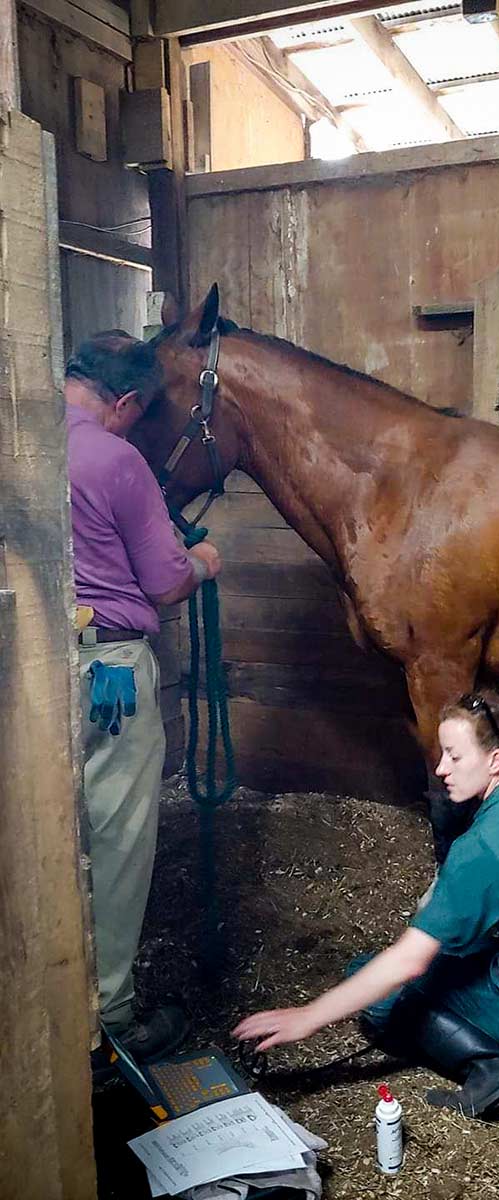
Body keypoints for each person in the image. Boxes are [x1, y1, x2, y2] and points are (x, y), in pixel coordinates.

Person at [234, 688, 499, 1120]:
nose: (441, 769)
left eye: (455, 757)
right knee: (461, 950)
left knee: (377, 990)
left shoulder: (484, 846)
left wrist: (309, 1016)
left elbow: (409, 962)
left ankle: (496, 1067)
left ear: (495, 761)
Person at [66, 330, 222, 1063]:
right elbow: (162, 583)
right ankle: (110, 1025)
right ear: (125, 402)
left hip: (31, 664)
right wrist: (202, 561)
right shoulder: (113, 456)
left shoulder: (20, 439)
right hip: (109, 672)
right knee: (115, 840)